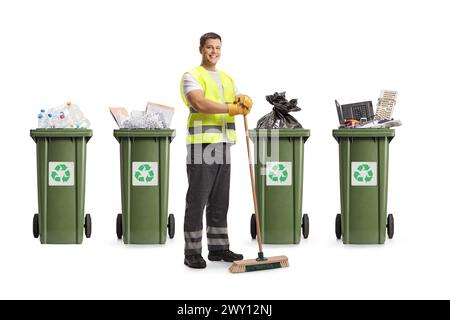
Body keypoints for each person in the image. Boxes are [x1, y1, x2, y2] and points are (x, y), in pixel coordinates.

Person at [180, 32, 253, 269]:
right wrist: (233, 108)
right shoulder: (192, 76)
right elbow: (199, 103)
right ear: (201, 49)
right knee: (198, 199)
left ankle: (219, 248)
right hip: (202, 144)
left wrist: (243, 100)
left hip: (224, 143)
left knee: (220, 199)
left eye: (218, 48)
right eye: (210, 47)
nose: (214, 52)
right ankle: (192, 252)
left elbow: (236, 101)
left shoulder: (227, 79)